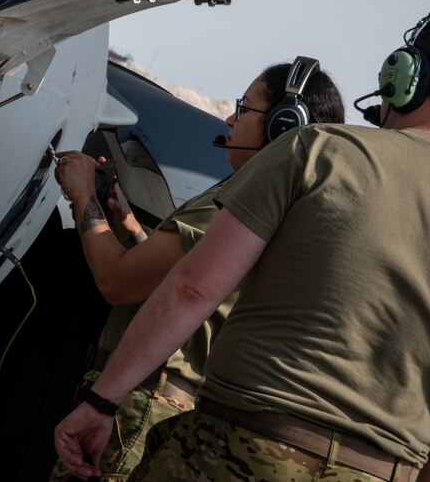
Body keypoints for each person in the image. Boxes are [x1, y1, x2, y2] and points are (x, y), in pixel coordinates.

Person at [53, 11, 430, 482]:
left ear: (405, 76)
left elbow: (193, 289)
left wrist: (102, 400)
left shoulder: (318, 151)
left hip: (244, 446)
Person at [49, 58, 345, 481]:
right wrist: (127, 225)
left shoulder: (236, 204)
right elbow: (173, 277)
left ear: (282, 126)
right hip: (161, 398)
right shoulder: (282, 212)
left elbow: (116, 282)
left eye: (244, 109)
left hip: (141, 395)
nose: (230, 118)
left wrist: (82, 196)